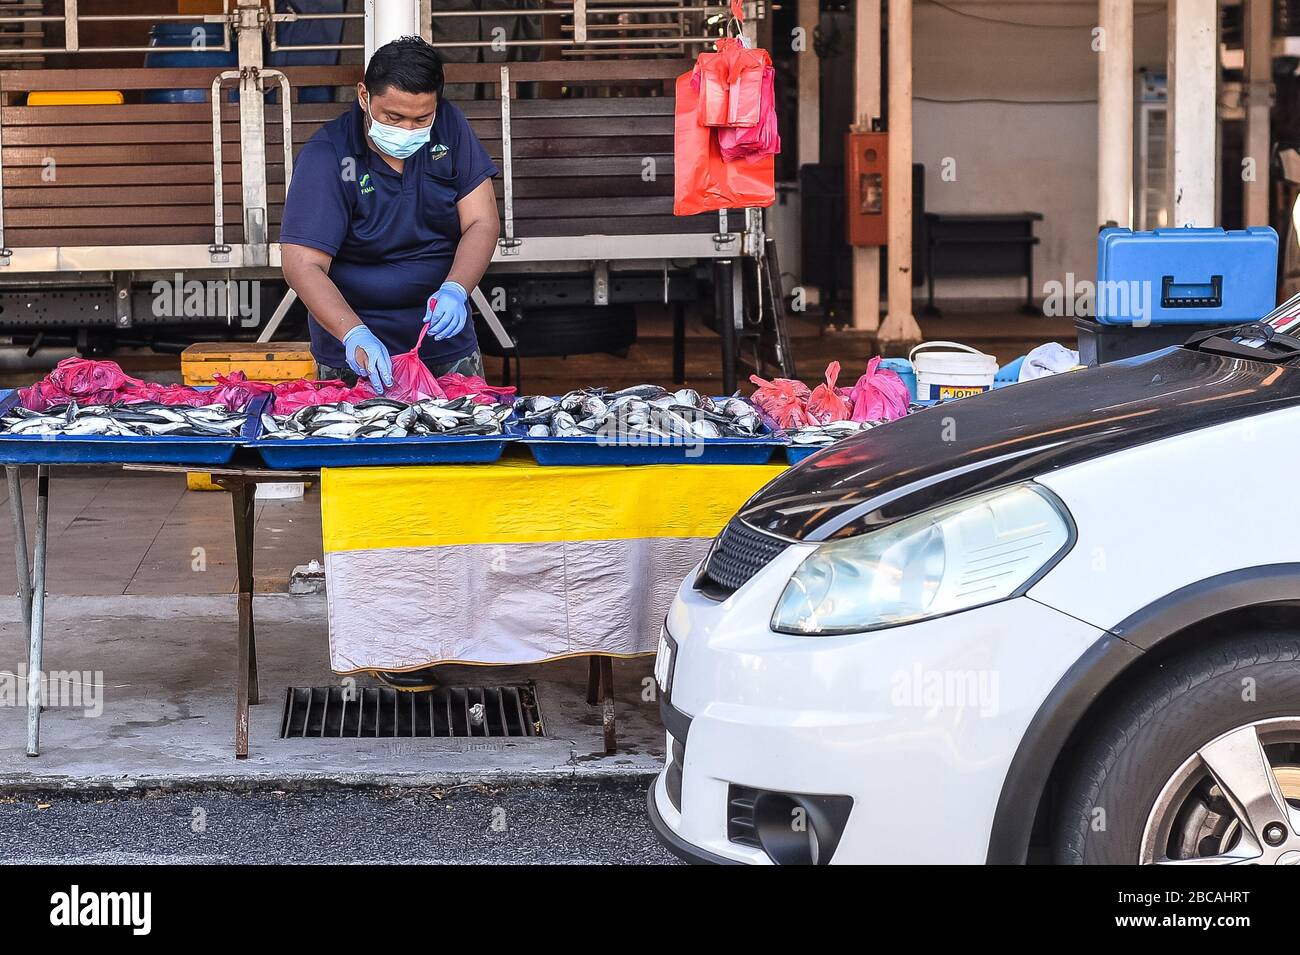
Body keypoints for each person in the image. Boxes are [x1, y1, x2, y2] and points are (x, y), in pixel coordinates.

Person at [280, 34, 499, 393]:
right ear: (364, 96)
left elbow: (481, 220)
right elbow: (301, 263)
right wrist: (353, 334)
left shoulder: (450, 127)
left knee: (457, 443)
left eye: (421, 118)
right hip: (355, 356)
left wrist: (457, 289)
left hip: (445, 344)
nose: (408, 130)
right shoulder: (329, 155)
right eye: (394, 117)